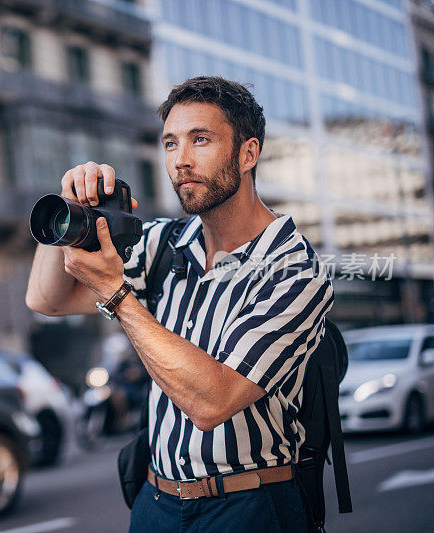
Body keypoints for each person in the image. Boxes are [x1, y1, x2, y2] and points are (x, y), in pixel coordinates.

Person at [26, 76, 333, 532]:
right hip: (156, 501)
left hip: (249, 506)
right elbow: (46, 300)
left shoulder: (294, 268)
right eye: (170, 144)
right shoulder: (164, 242)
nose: (181, 161)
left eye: (200, 140)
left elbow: (213, 402)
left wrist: (117, 295)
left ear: (248, 154)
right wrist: (69, 213)